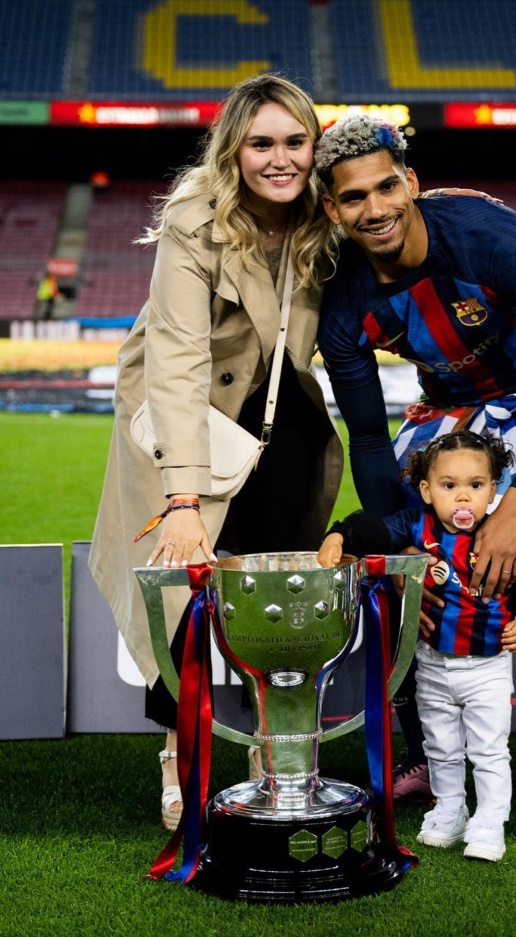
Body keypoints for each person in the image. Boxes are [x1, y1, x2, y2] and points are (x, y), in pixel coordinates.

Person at [314, 114, 516, 842]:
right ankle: (426, 756)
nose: (375, 208)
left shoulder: (494, 238)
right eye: (354, 197)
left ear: (410, 182)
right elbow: (369, 436)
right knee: (396, 580)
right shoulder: (342, 297)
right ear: (332, 208)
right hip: (450, 411)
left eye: (386, 187)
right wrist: (408, 548)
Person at [89, 74, 344, 830]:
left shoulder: (326, 209)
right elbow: (176, 359)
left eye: (295, 142)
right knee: (183, 589)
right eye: (261, 143)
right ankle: (178, 752)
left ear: (315, 147)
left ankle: (273, 746)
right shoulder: (193, 219)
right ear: (233, 149)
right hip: (184, 409)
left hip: (279, 400)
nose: (280, 159)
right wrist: (183, 498)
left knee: (279, 579)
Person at [318, 430, 516, 862]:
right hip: (431, 664)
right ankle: (450, 809)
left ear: (493, 490)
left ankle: (489, 823)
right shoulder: (415, 525)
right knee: (441, 748)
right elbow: (372, 529)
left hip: (486, 669)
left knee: (489, 751)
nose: (463, 497)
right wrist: (340, 535)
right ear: (427, 491)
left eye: (476, 485)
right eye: (449, 486)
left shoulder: (503, 537)